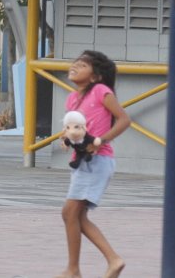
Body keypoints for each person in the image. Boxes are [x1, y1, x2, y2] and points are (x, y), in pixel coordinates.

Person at [59, 49, 130, 278]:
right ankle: (110, 260)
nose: (75, 66)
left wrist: (102, 140)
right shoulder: (72, 99)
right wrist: (66, 137)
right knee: (75, 216)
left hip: (97, 160)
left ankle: (74, 269)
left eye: (83, 65)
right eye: (75, 62)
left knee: (69, 212)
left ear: (95, 76)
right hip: (81, 161)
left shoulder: (101, 91)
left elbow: (124, 119)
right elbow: (75, 129)